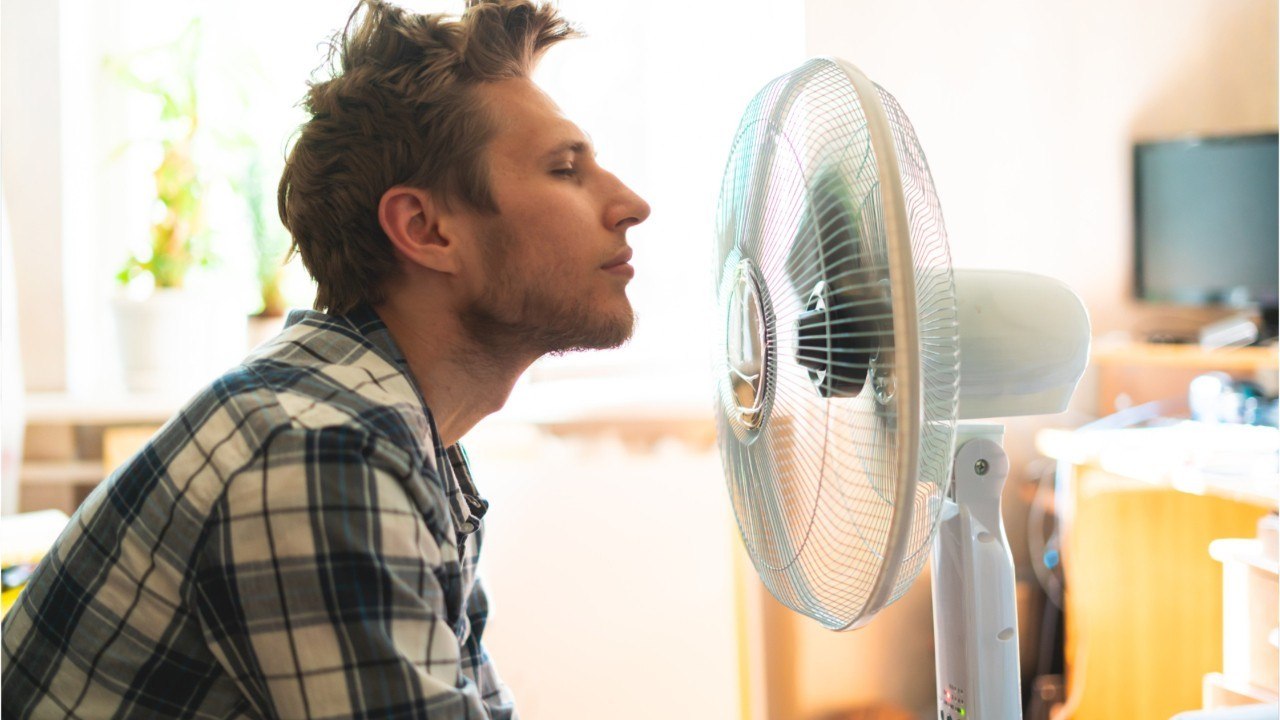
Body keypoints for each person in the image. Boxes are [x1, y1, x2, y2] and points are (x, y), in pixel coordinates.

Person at [1, 0, 650, 717]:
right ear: (425, 230)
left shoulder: (402, 435)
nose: (630, 204)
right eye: (565, 169)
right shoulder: (318, 451)